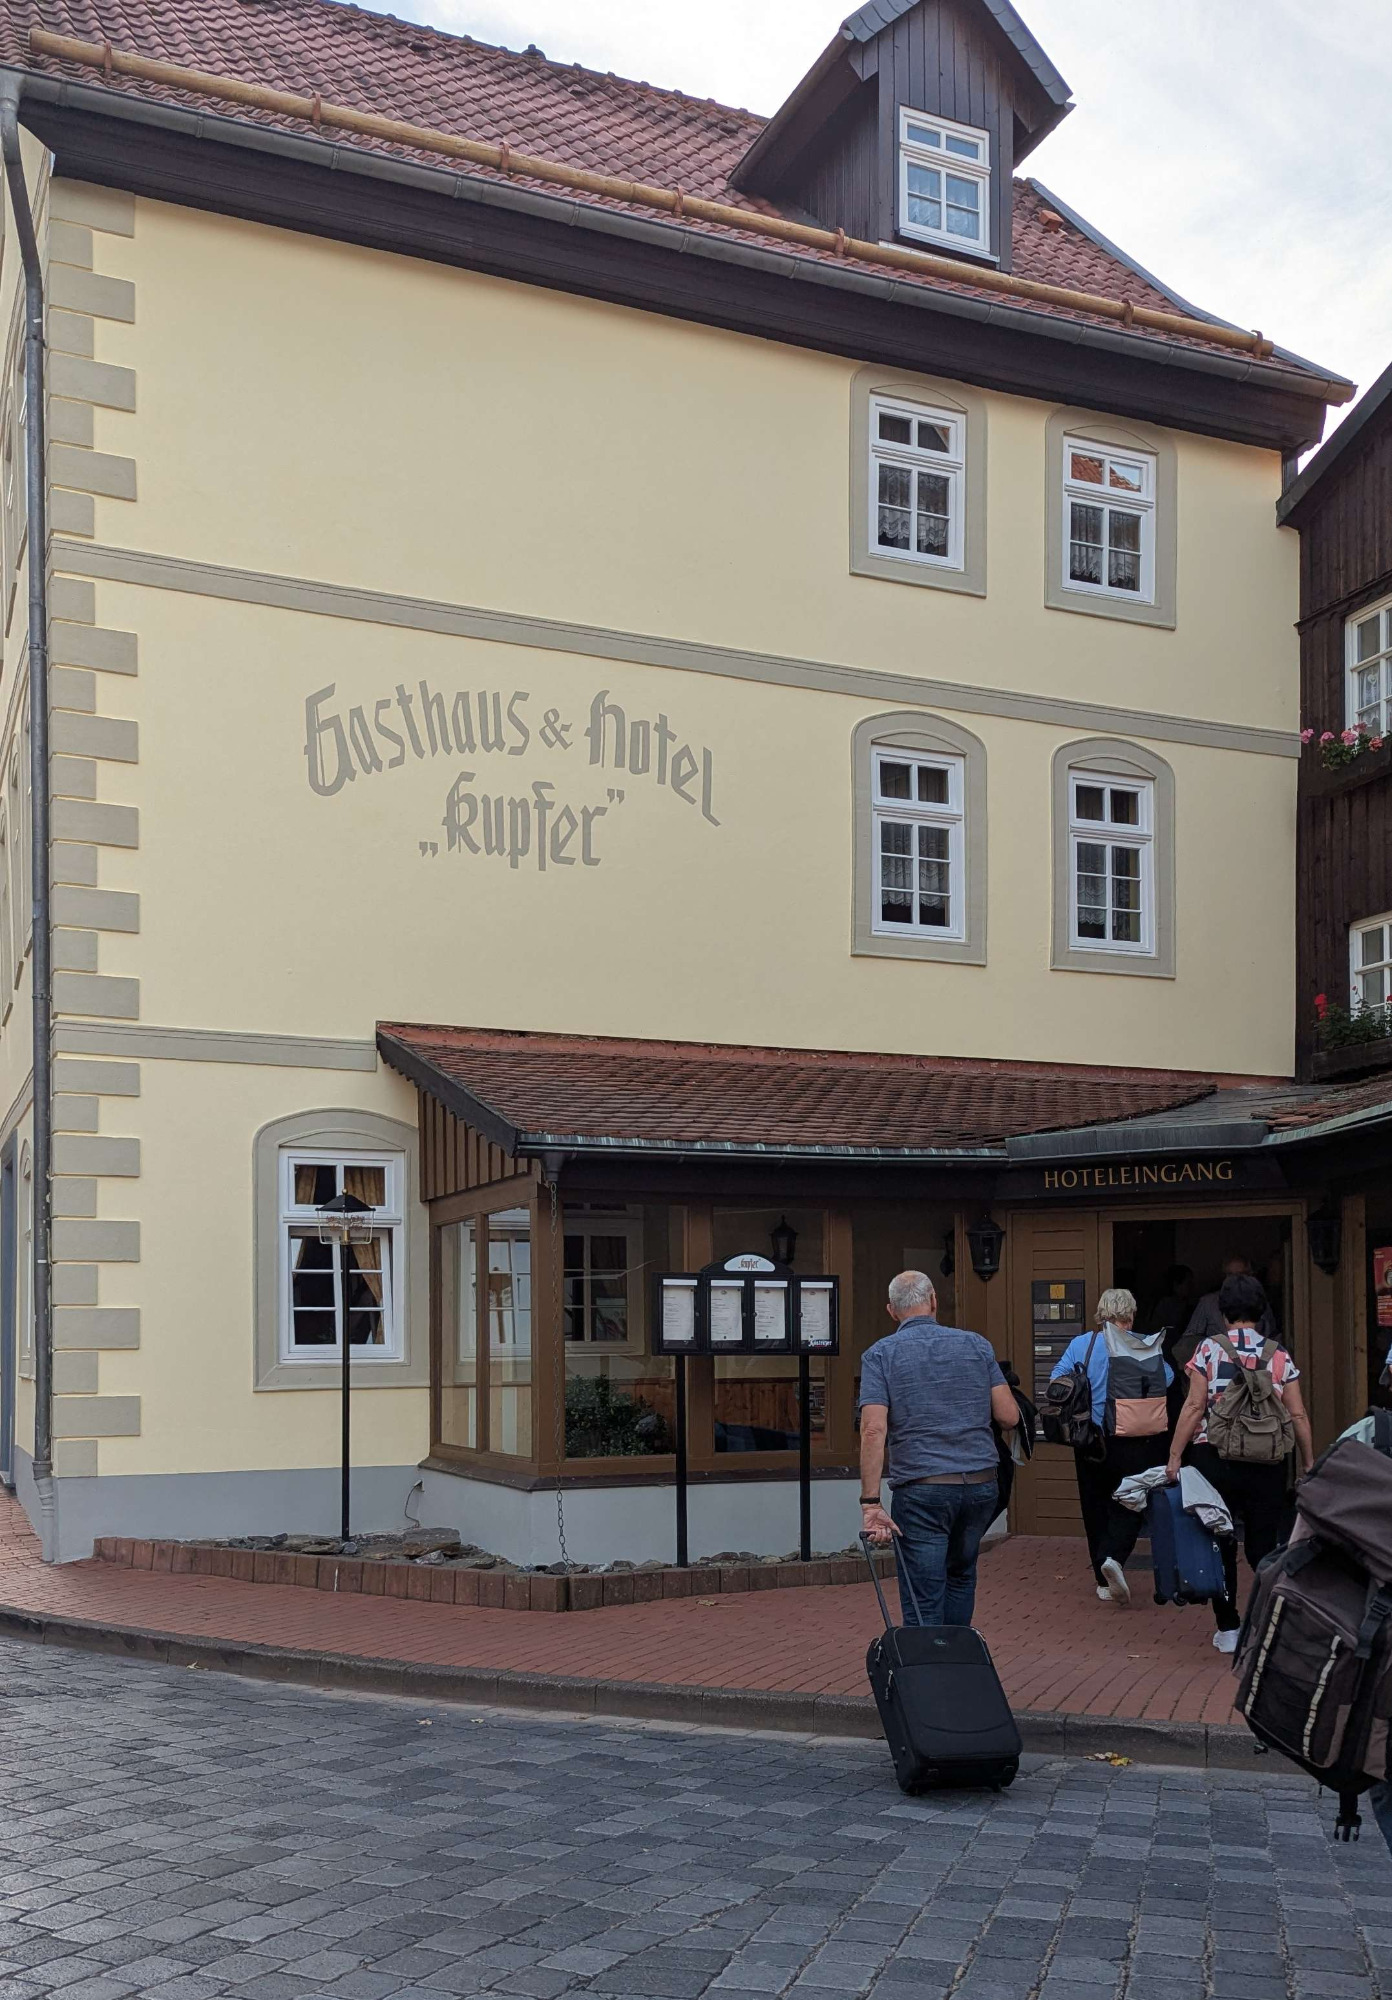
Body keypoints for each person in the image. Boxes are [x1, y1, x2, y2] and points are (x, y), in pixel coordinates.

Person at [858, 1270, 1018, 1627]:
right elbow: (1008, 1416)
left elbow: (873, 1430)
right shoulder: (977, 1345)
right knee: (960, 1575)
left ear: (891, 1310)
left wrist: (870, 1502)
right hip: (979, 1484)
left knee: (923, 1594)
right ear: (933, 1301)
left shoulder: (880, 1355)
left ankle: (928, 1660)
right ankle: (955, 1654)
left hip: (923, 1488)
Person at [1166, 1270, 1313, 1653]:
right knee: (1264, 1546)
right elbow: (1297, 1414)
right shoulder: (1278, 1354)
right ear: (1261, 1310)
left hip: (1215, 1458)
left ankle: (1228, 1628)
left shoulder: (1209, 1350)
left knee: (1220, 1542)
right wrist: (1308, 1462)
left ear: (1223, 1310)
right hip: (1267, 1461)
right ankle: (1264, 1625)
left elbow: (1194, 1406)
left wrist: (1175, 1455)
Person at [1051, 1288, 1172, 1608]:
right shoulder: (1144, 1343)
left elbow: (1056, 1380)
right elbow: (1168, 1379)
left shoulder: (1082, 1344)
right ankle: (1114, 1556)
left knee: (1094, 1506)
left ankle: (1103, 1580)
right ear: (1130, 1315)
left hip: (1090, 1438)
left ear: (1101, 1314)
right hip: (1135, 1438)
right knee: (1132, 1500)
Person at [1179, 1255, 1277, 1365]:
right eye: (1230, 1275)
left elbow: (1272, 1336)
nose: (1235, 1280)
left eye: (1240, 1275)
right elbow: (1188, 1340)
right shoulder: (1208, 1303)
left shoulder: (1261, 1302)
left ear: (1250, 1276)